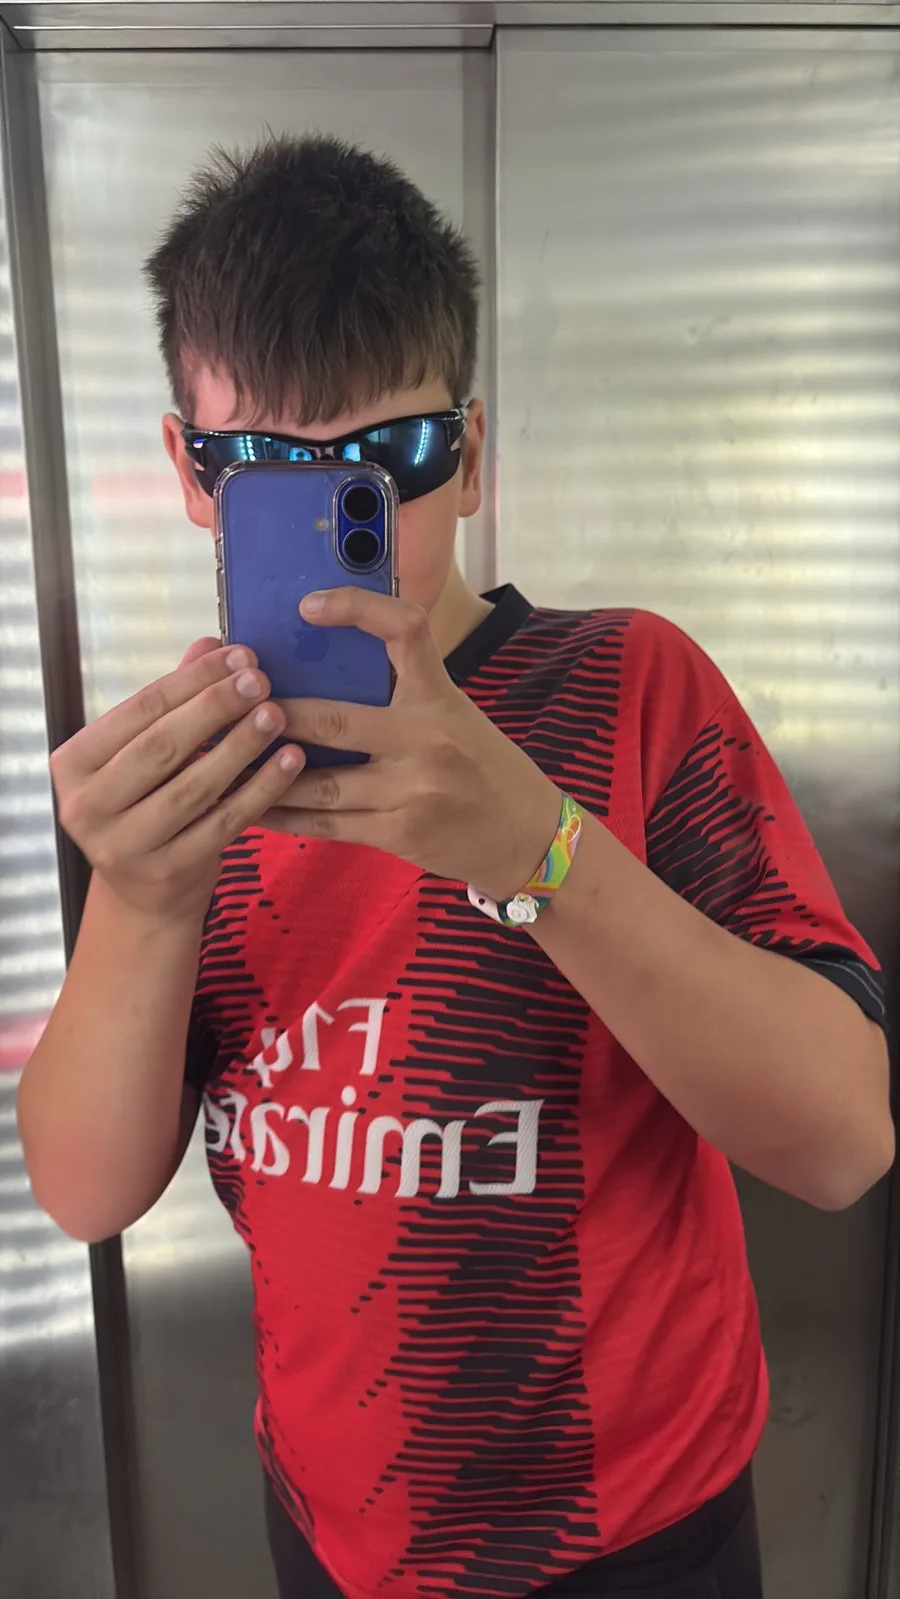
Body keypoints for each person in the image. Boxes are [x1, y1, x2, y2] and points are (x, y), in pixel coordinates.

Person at [18, 134, 892, 1599]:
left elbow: (843, 1140)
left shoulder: (632, 687)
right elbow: (88, 1189)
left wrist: (542, 852)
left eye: (394, 463)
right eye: (267, 468)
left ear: (471, 454)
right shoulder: (185, 774)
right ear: (190, 472)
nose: (345, 524)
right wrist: (148, 895)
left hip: (633, 1535)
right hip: (330, 1525)